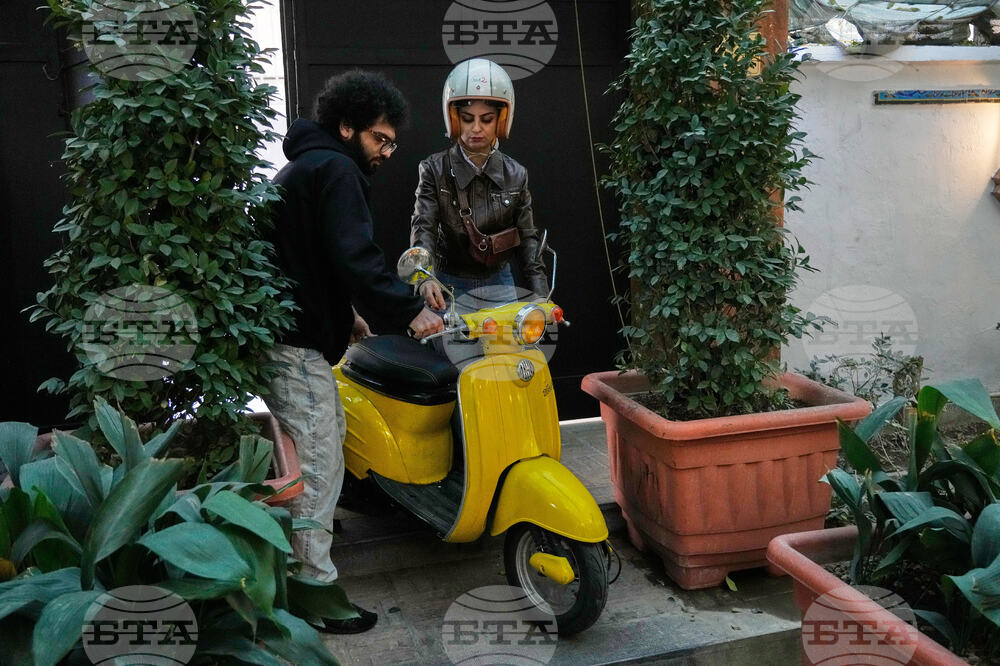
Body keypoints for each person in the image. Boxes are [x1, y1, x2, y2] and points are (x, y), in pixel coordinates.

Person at [262, 70, 443, 634]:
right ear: (347, 127)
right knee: (318, 460)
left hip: (283, 334)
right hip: (295, 343)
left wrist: (352, 316)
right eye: (379, 139)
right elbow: (354, 256)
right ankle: (311, 589)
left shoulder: (304, 167)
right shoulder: (337, 170)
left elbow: (307, 258)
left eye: (392, 142)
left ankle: (305, 552)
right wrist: (409, 309)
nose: (386, 152)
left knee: (321, 442)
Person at [410, 58, 548, 313]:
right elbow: (424, 226)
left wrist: (540, 295)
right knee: (445, 351)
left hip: (499, 283)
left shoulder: (516, 174)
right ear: (454, 119)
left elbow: (528, 238)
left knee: (508, 350)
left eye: (486, 119)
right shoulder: (433, 169)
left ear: (501, 120)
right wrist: (424, 277)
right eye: (467, 118)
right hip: (446, 283)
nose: (476, 128)